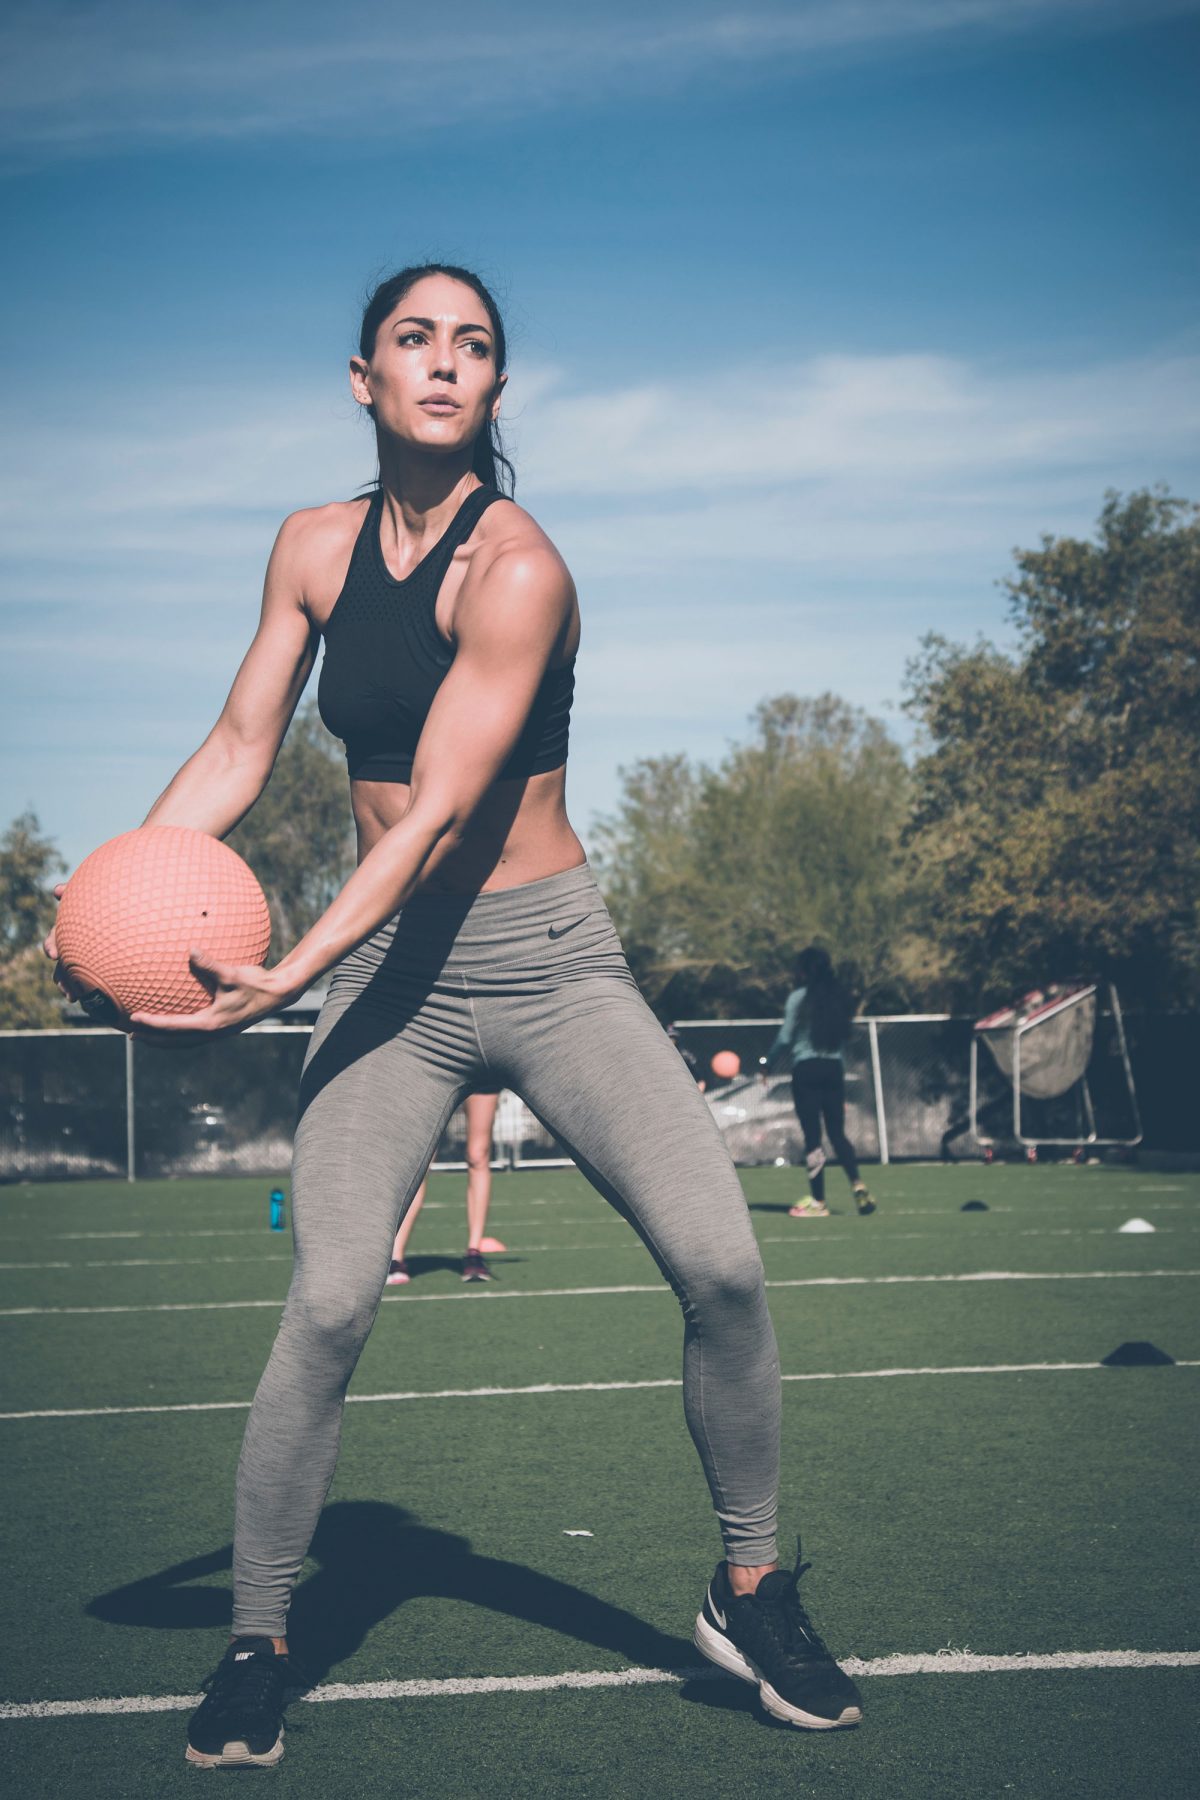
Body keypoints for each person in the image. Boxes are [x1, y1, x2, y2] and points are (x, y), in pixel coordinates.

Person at [49, 265, 862, 1764]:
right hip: (391, 983)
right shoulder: (310, 546)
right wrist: (117, 905)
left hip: (550, 961)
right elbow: (237, 745)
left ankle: (750, 1589)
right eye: (413, 340)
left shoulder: (520, 569)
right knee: (331, 1303)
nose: (443, 363)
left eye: (472, 345)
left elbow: (431, 814)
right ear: (363, 379)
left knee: (725, 1267)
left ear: (495, 387)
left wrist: (290, 970)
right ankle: (257, 1637)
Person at [767, 946, 876, 1219]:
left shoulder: (798, 998)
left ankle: (818, 1202)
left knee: (813, 1137)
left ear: (803, 971)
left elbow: (785, 1037)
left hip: (806, 1070)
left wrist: (767, 1063)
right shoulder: (838, 997)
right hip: (833, 1069)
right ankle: (858, 1185)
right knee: (837, 1134)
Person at [385, 1088, 500, 1283]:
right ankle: (395, 1258)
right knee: (421, 1157)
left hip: (483, 1076)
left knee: (478, 1154)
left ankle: (474, 1253)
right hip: (442, 1071)